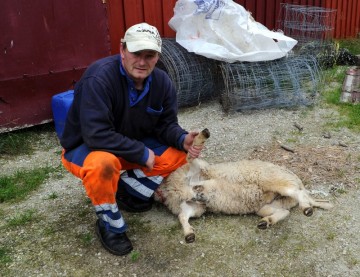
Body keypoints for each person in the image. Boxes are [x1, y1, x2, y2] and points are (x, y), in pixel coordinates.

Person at [59, 22, 203, 256]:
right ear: (122, 50)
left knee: (178, 154)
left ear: (158, 56)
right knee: (103, 166)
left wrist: (181, 138)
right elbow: (96, 134)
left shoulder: (162, 82)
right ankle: (109, 224)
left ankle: (128, 191)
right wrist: (141, 153)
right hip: (85, 147)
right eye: (136, 53)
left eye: (150, 55)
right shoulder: (98, 79)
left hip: (128, 145)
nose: (142, 61)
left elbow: (166, 125)